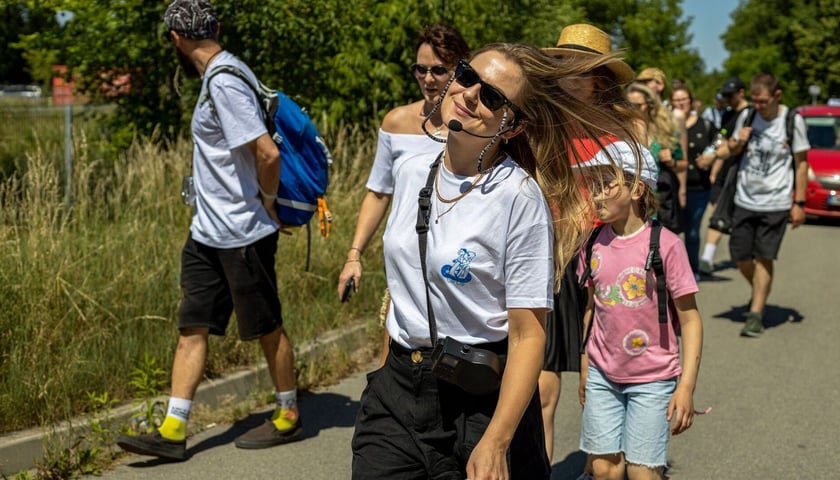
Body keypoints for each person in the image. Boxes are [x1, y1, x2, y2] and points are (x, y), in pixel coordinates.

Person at [351, 42, 640, 480]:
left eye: (492, 96)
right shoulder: (411, 171)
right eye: (467, 76)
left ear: (511, 126)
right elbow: (405, 289)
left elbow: (527, 336)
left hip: (478, 398)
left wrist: (497, 440)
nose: (470, 94)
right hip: (397, 393)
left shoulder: (519, 198)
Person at [116, 0, 301, 460]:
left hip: (243, 232)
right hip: (207, 232)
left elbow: (267, 154)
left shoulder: (224, 81)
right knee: (191, 326)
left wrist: (269, 205)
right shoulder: (223, 74)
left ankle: (288, 413)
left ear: (176, 39)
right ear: (214, 27)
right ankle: (173, 430)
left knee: (266, 327)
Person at [335, 24, 470, 364]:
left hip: (457, 270)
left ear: (460, 70)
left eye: (439, 70)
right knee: (391, 365)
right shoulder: (397, 123)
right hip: (405, 268)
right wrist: (354, 255)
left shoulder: (475, 127)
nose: (428, 79)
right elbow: (378, 193)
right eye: (420, 69)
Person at [538, 22, 639, 461]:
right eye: (562, 65)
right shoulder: (539, 120)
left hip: (605, 254)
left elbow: (634, 199)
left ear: (600, 76)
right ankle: (536, 469)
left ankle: (606, 461)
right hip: (551, 255)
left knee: (604, 371)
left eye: (580, 67)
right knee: (540, 382)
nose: (569, 75)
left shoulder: (621, 127)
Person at [576, 152, 703, 480]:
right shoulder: (592, 244)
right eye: (595, 184)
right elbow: (592, 308)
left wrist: (685, 386)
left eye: (607, 183)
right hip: (603, 375)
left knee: (641, 473)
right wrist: (585, 365)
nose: (597, 193)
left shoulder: (666, 246)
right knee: (604, 470)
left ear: (637, 190)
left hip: (653, 378)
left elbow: (690, 320)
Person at [727, 73, 809, 337]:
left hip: (776, 201)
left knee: (764, 256)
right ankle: (760, 290)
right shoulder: (748, 115)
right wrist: (738, 140)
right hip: (744, 197)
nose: (758, 106)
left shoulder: (791, 120)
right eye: (754, 100)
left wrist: (799, 202)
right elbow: (732, 150)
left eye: (763, 101)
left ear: (777, 95)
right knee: (739, 257)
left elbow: (802, 163)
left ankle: (756, 314)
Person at [699, 77, 750, 275]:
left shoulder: (749, 114)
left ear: (741, 92)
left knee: (734, 216)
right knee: (718, 213)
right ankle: (707, 258)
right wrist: (710, 160)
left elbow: (731, 146)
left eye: (730, 95)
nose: (727, 99)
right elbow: (721, 139)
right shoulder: (728, 113)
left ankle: (744, 253)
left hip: (740, 172)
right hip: (724, 170)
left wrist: (712, 158)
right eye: (725, 95)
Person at [670, 84, 718, 277]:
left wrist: (710, 156)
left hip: (699, 187)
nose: (681, 103)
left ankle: (692, 268)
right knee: (670, 232)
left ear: (691, 101)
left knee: (692, 232)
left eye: (684, 99)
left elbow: (719, 139)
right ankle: (670, 271)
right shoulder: (668, 125)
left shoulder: (704, 124)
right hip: (671, 187)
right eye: (676, 100)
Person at [637, 68, 689, 211]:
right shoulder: (637, 113)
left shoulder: (675, 115)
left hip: (665, 190)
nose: (642, 86)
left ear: (660, 85)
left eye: (647, 81)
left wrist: (682, 190)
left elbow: (683, 156)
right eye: (640, 82)